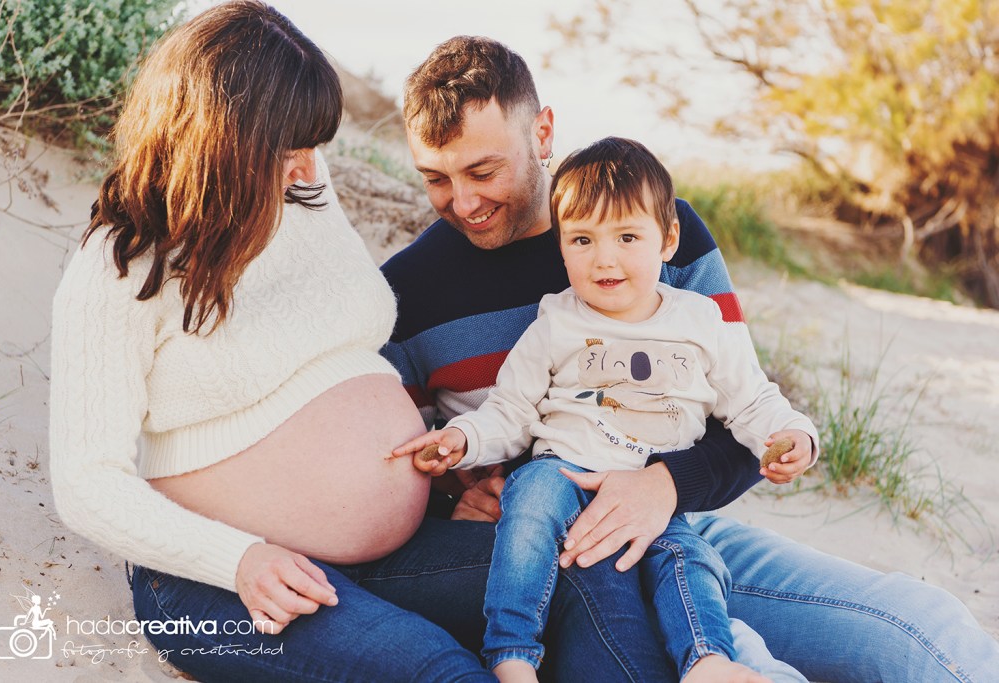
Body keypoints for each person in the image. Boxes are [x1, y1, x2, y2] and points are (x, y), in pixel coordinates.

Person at [50, 3, 737, 681]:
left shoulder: (303, 197)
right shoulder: (120, 265)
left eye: (311, 145)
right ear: (222, 137)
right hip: (219, 576)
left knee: (591, 578)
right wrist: (238, 559)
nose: (307, 166)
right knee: (438, 669)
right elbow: (86, 483)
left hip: (393, 546)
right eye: (287, 148)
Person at [381, 35, 999, 683]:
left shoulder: (659, 230)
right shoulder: (407, 295)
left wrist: (664, 485)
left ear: (542, 132)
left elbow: (744, 410)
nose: (464, 202)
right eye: (435, 179)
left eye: (482, 172)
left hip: (682, 528)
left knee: (920, 627)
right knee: (751, 663)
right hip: (545, 558)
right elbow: (399, 471)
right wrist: (453, 500)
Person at [394, 136, 819, 683]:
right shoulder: (557, 321)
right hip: (562, 468)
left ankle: (708, 660)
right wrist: (462, 442)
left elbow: (752, 398)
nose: (605, 258)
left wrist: (791, 435)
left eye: (626, 236)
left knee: (687, 560)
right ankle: (512, 653)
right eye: (582, 240)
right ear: (563, 249)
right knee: (527, 518)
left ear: (667, 240)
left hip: (650, 488)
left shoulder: (700, 321)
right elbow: (511, 410)